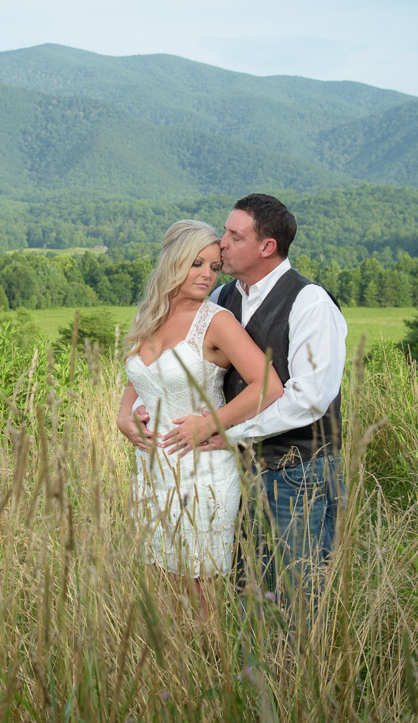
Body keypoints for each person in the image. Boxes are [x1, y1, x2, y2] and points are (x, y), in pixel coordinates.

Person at [130, 194, 348, 605]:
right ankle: (238, 670)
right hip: (231, 469)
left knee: (292, 596)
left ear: (266, 247)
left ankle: (294, 672)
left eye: (234, 235)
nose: (222, 242)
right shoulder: (224, 297)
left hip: (298, 471)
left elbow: (311, 398)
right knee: (245, 592)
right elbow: (187, 358)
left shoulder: (310, 302)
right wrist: (147, 403)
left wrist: (225, 430)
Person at [117, 220, 283, 611]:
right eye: (197, 264)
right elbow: (141, 372)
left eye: (214, 266)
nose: (207, 274)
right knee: (157, 590)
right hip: (151, 472)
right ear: (172, 263)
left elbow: (268, 384)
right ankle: (169, 673)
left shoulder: (215, 321)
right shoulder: (151, 316)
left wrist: (211, 423)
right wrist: (123, 414)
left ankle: (210, 671)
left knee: (198, 597)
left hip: (202, 475)